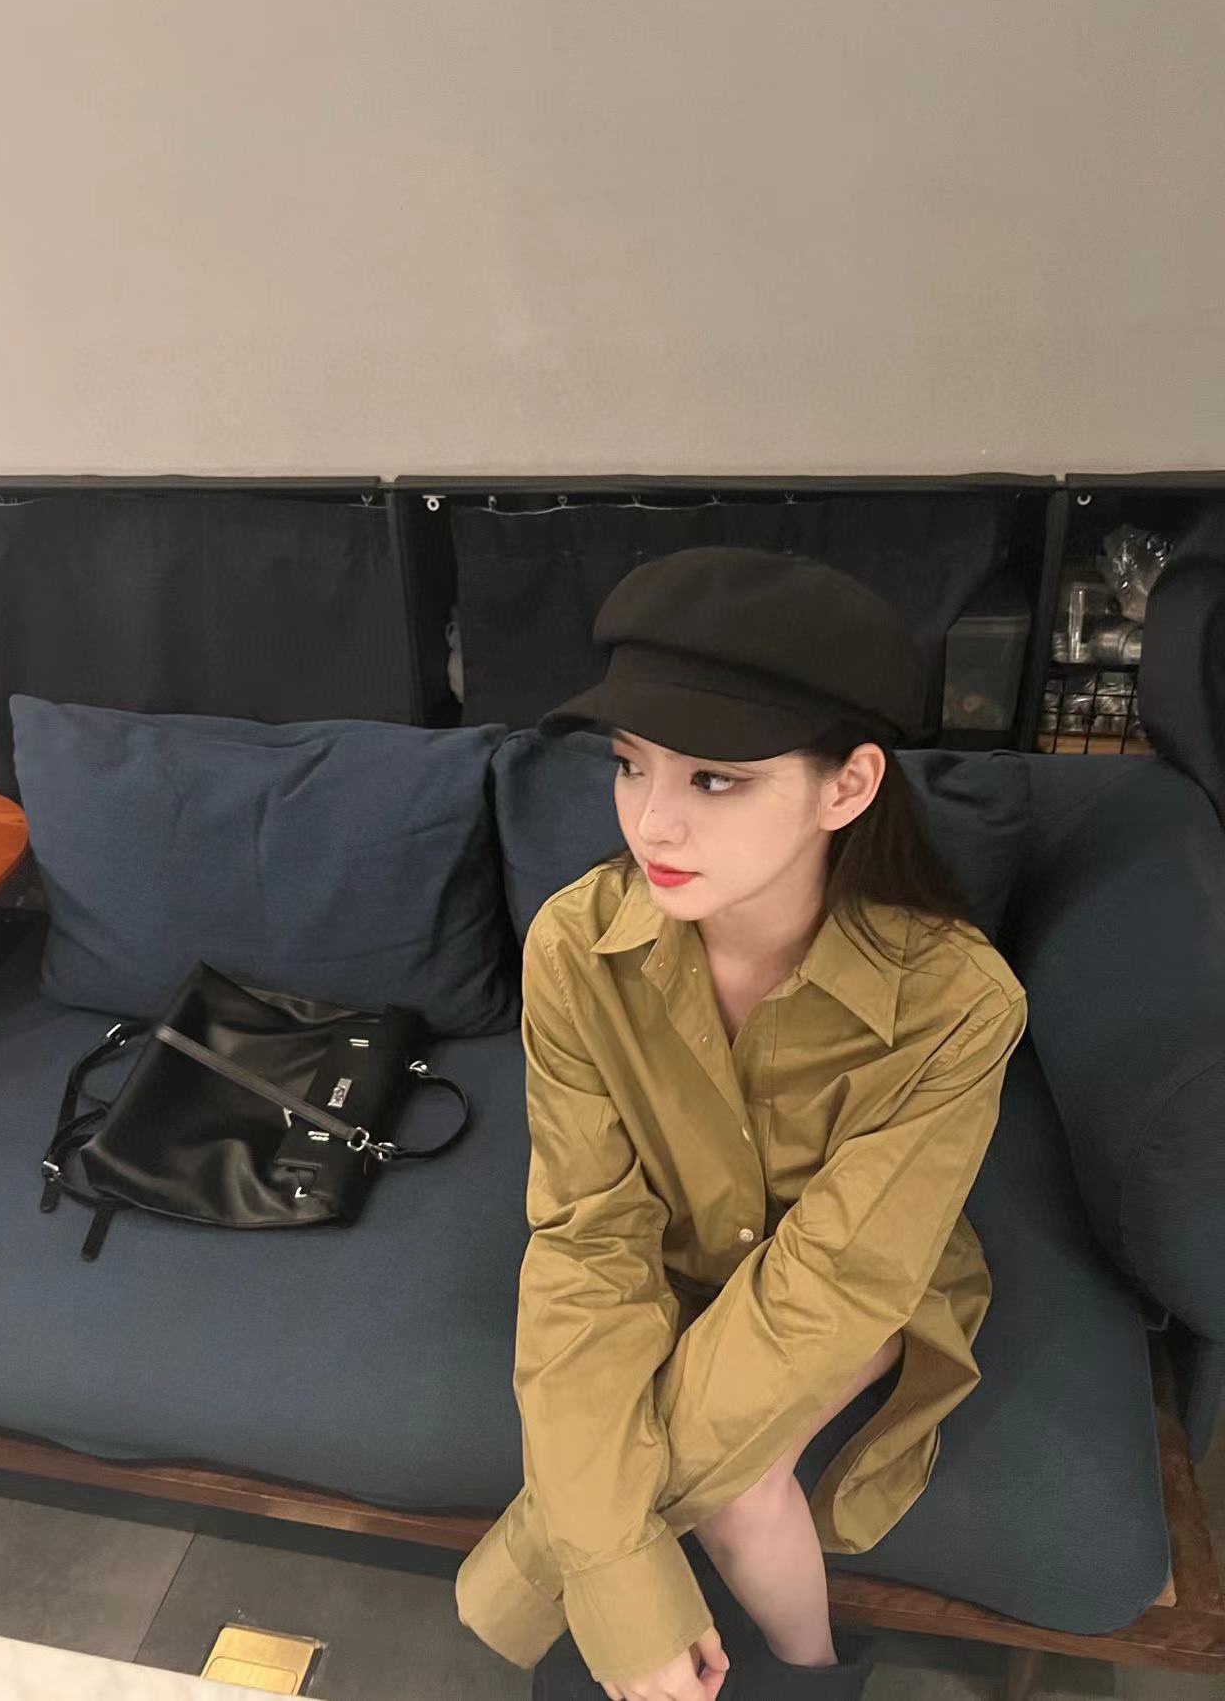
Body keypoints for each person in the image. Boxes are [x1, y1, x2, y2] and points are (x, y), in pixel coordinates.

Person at [455, 547, 1028, 1699]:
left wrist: (582, 1572)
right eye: (628, 766)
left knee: (738, 1489)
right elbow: (586, 1236)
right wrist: (622, 1588)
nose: (651, 825)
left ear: (846, 788)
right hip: (670, 1262)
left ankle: (804, 1679)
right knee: (679, 1467)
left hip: (852, 1280)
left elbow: (841, 1273)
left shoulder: (956, 1004)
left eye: (715, 779)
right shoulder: (574, 946)